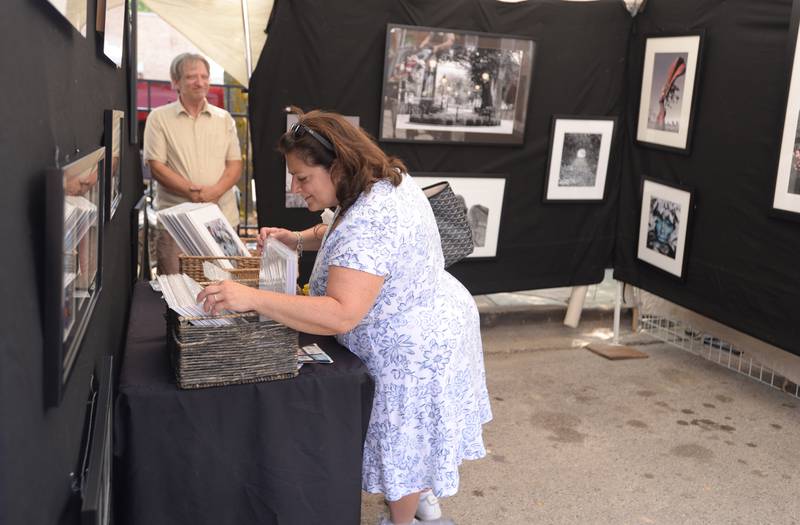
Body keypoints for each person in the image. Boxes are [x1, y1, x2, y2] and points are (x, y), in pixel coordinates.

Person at [197, 108, 492, 525]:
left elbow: (340, 314)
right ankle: (420, 496)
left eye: (303, 178)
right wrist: (296, 239)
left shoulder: (371, 220)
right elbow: (336, 226)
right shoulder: (381, 180)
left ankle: (402, 518)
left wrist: (251, 298)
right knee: (415, 436)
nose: (298, 189)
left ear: (336, 166)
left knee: (403, 443)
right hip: (434, 316)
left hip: (413, 346)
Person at [143, 53, 243, 274]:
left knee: (225, 288)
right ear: (175, 82)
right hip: (176, 223)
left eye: (204, 76)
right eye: (191, 77)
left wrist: (214, 192)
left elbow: (235, 164)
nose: (200, 82)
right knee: (176, 291)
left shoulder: (224, 118)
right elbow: (157, 167)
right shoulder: (158, 118)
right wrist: (193, 192)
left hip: (221, 219)